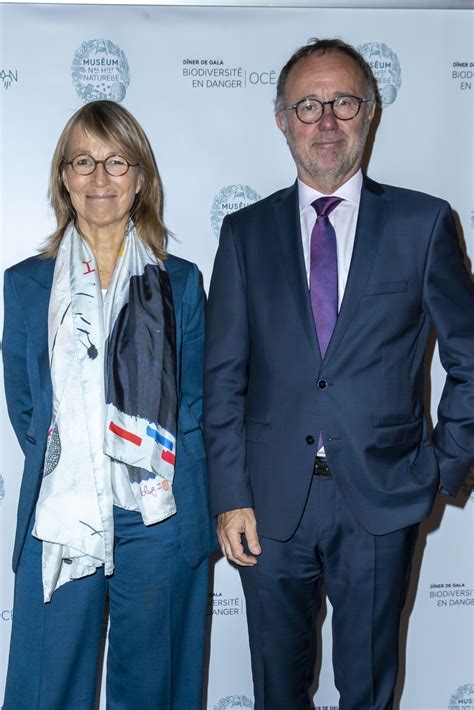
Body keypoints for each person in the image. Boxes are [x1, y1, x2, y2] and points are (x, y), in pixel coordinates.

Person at [204, 38, 474, 709]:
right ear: (283, 120)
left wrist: (443, 468)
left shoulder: (424, 223)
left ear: (371, 111)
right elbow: (223, 380)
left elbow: (470, 359)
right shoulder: (244, 233)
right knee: (277, 692)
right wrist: (231, 493)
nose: (326, 120)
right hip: (268, 508)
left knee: (369, 692)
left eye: (343, 102)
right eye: (307, 105)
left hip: (383, 500)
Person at [2, 99, 215, 709]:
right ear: (63, 178)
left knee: (156, 691)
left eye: (116, 162)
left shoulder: (180, 283)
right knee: (46, 692)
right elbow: (27, 408)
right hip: (62, 514)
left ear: (140, 178)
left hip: (158, 515)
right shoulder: (25, 284)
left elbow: (194, 404)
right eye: (83, 162)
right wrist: (83, 460)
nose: (99, 178)